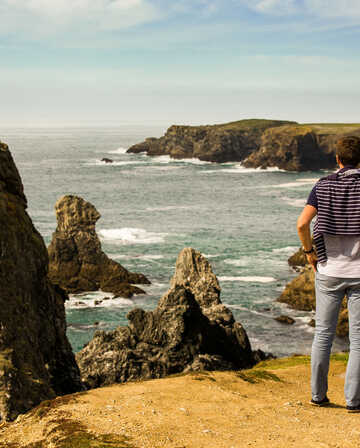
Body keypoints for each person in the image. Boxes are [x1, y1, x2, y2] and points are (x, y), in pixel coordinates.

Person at [297, 135, 360, 412]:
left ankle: (318, 396)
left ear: (337, 159)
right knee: (358, 339)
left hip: (329, 271)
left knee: (323, 334)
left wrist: (309, 252)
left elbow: (302, 224)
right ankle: (354, 401)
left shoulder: (322, 186)